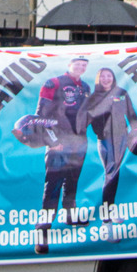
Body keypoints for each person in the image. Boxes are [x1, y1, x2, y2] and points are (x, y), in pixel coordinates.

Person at [34, 57, 91, 254]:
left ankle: (70, 215)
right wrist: (52, 141)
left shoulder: (85, 87)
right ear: (69, 65)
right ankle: (42, 233)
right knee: (53, 187)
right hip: (58, 143)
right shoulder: (54, 83)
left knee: (72, 183)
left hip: (78, 143)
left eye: (84, 65)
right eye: (77, 63)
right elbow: (40, 116)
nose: (81, 67)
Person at [77, 68, 137, 231]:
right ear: (98, 79)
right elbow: (85, 120)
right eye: (103, 76)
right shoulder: (92, 98)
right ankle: (107, 215)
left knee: (115, 174)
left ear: (113, 78)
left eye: (109, 76)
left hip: (122, 139)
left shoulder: (122, 93)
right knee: (111, 173)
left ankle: (109, 211)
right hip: (105, 141)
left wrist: (135, 132)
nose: (106, 79)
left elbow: (132, 115)